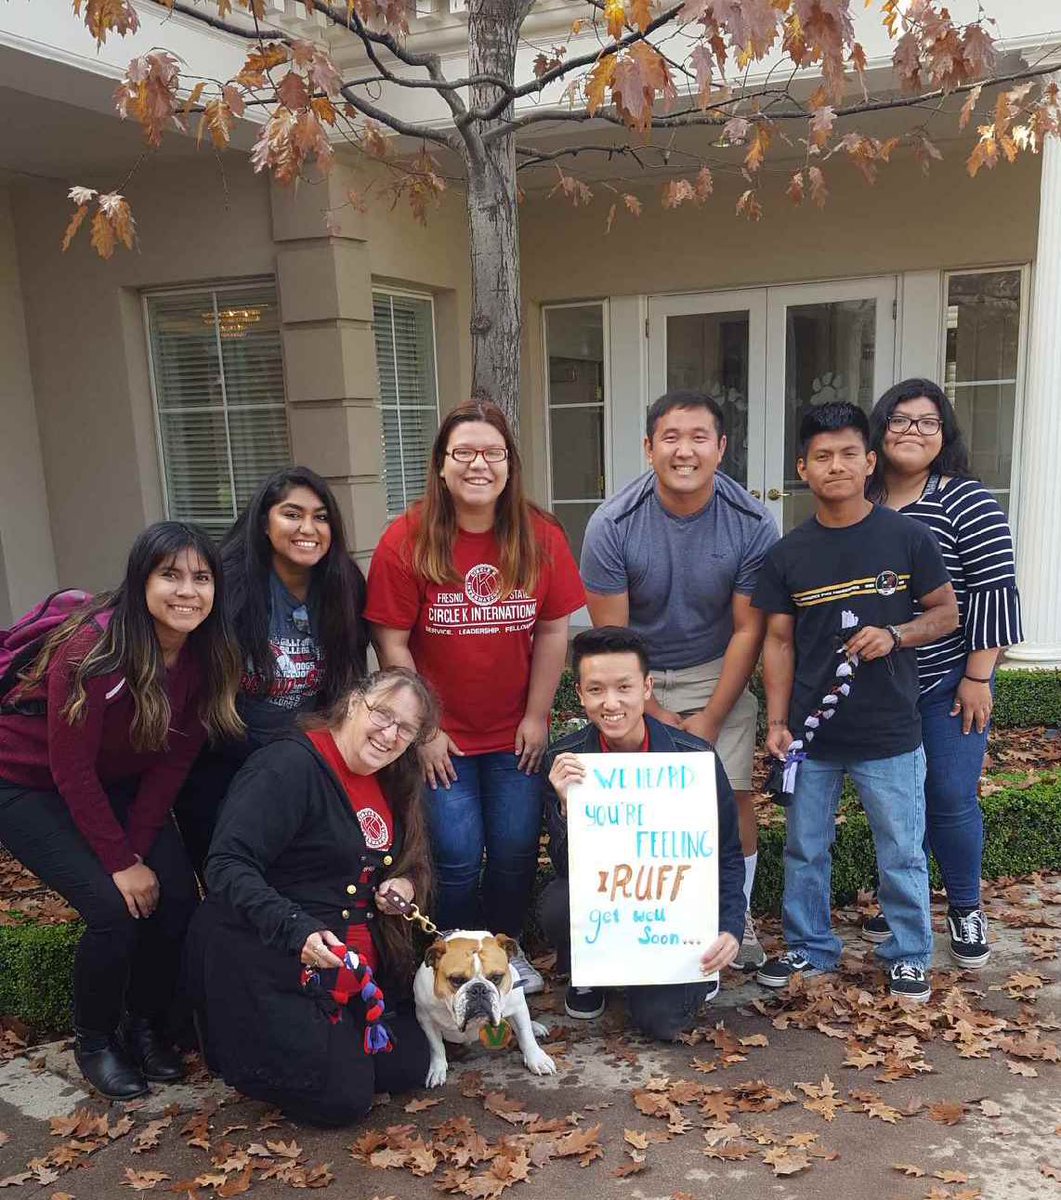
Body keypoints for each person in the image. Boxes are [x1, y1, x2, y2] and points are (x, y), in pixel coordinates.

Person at [0, 523, 242, 1099]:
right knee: (112, 907)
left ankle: (146, 1024)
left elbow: (170, 763)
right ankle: (96, 1041)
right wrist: (119, 862)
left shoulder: (205, 655)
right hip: (25, 782)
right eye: (171, 575)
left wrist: (136, 849)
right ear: (141, 582)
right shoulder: (93, 652)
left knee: (175, 894)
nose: (188, 591)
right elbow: (70, 770)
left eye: (201, 578)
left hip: (115, 782)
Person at [365, 401, 585, 990]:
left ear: (510, 464)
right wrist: (424, 731)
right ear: (441, 464)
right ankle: (456, 962)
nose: (478, 464)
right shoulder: (406, 539)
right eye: (463, 452)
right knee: (457, 855)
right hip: (444, 740)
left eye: (493, 452)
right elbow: (391, 639)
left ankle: (504, 957)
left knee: (514, 852)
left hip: (516, 731)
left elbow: (554, 629)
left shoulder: (540, 535)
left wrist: (539, 715)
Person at [752, 402, 959, 1003]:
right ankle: (810, 949)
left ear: (870, 462)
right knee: (805, 847)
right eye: (822, 456)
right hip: (813, 738)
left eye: (848, 454)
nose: (835, 466)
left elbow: (945, 613)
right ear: (803, 469)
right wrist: (779, 721)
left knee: (900, 849)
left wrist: (896, 634)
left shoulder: (907, 537)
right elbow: (780, 641)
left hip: (891, 730)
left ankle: (908, 952)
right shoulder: (788, 553)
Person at [184, 668, 439, 1127]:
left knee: (413, 1063)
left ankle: (335, 1044)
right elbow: (226, 865)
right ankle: (254, 1055)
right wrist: (295, 929)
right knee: (344, 1100)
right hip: (270, 954)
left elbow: (410, 860)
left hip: (349, 968)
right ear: (352, 701)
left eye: (407, 728)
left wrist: (404, 884)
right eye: (382, 715)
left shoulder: (395, 773)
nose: (390, 734)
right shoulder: (287, 766)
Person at [580, 390, 778, 970]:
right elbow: (612, 644)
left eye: (699, 438)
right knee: (632, 801)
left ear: (721, 448)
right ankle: (623, 929)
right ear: (648, 448)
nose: (684, 451)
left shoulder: (752, 522)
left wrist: (711, 718)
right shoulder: (612, 524)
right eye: (670, 438)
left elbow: (749, 630)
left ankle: (734, 921)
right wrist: (654, 715)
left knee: (733, 792)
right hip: (634, 674)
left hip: (718, 667)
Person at [863, 379, 1023, 967]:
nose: (913, 432)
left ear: (943, 435)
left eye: (928, 422)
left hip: (947, 681)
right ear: (881, 430)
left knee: (950, 796)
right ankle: (904, 905)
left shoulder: (965, 500)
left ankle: (964, 906)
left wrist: (978, 676)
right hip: (878, 687)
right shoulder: (862, 499)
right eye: (901, 421)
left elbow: (994, 591)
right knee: (893, 802)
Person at [539, 626, 745, 1037]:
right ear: (579, 694)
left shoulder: (694, 758)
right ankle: (591, 969)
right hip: (607, 905)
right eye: (595, 689)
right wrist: (567, 806)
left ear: (647, 687)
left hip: (672, 916)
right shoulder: (566, 760)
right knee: (556, 905)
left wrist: (729, 927)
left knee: (661, 1024)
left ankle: (676, 968)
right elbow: (565, 866)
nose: (610, 703)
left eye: (624, 687)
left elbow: (725, 853)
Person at [175, 467, 368, 875]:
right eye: (292, 514)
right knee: (231, 875)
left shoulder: (344, 583)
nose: (308, 528)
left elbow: (347, 677)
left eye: (320, 517)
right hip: (222, 759)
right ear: (264, 522)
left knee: (300, 876)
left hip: (303, 759)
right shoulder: (227, 581)